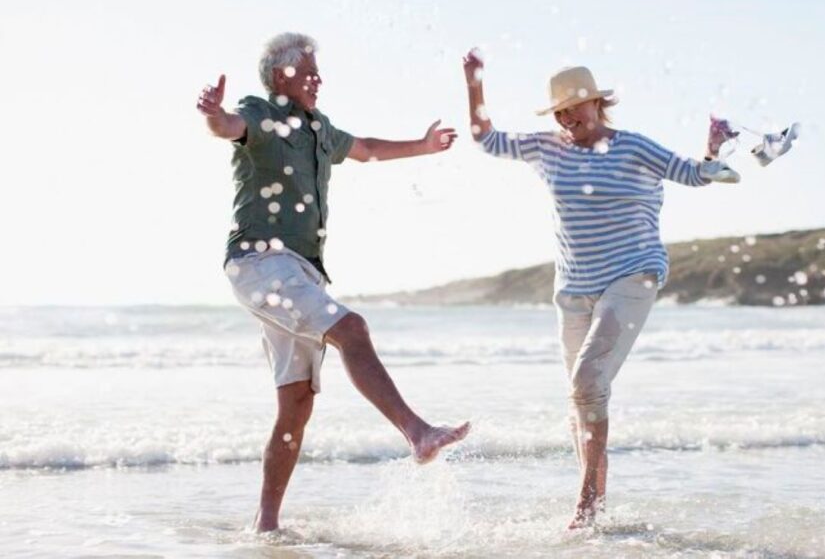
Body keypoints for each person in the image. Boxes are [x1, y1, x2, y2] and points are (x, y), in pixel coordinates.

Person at [195, 32, 470, 533]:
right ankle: (418, 433)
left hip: (299, 271)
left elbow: (364, 148)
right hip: (260, 262)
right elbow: (228, 126)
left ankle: (266, 523)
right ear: (281, 76)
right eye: (308, 70)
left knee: (297, 402)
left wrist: (424, 146)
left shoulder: (318, 128)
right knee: (352, 329)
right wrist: (213, 114)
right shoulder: (258, 112)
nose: (318, 78)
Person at [462, 50, 737, 528]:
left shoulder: (633, 147)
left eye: (577, 107)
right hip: (573, 289)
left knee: (587, 382)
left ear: (597, 105)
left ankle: (586, 503)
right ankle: (597, 505)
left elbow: (693, 174)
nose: (569, 118)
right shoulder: (546, 148)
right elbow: (485, 139)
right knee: (581, 396)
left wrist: (712, 150)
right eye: (561, 111)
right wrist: (474, 83)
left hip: (633, 274)